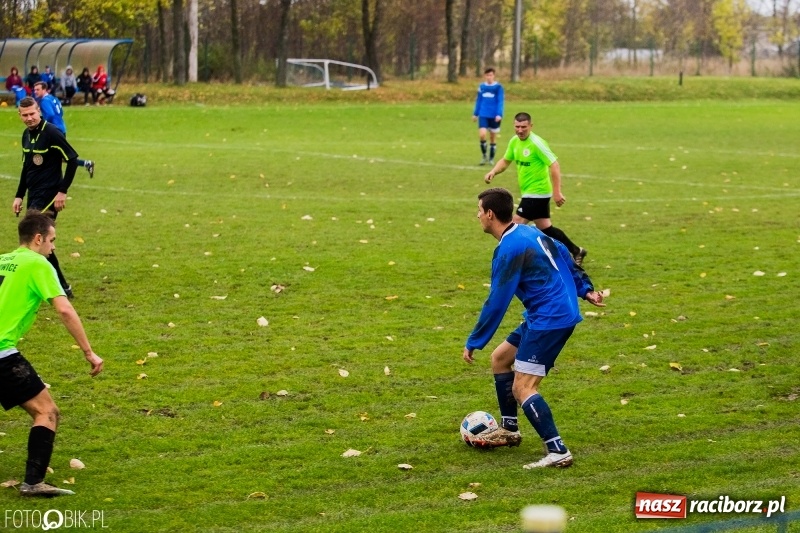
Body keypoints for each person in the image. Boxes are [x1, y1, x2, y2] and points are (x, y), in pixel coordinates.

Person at [462, 187, 604, 468]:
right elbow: (563, 254)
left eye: (479, 210)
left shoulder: (509, 248)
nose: (477, 215)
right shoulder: (528, 233)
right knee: (501, 359)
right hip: (547, 313)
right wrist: (585, 289)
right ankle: (510, 429)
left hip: (550, 319)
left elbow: (497, 300)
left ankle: (558, 450)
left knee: (523, 387)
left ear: (490, 214)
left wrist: (475, 340)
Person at [0, 211, 103, 497]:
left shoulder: (3, 260)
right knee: (47, 412)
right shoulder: (39, 264)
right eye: (52, 240)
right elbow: (64, 309)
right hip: (1, 354)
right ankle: (33, 482)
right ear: (37, 239)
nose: (53, 247)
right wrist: (89, 352)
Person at [484, 112, 588, 266]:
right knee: (546, 228)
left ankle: (509, 259)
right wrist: (493, 171)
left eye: (524, 127)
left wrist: (557, 192)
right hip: (529, 192)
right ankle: (576, 250)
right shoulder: (514, 141)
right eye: (517, 127)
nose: (520, 130)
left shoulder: (537, 143)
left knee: (512, 225)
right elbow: (506, 161)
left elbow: (554, 164)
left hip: (537, 192)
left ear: (530, 126)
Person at [13, 97, 83, 298]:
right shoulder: (26, 135)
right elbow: (27, 168)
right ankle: (60, 286)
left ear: (39, 112)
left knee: (35, 240)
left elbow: (72, 159)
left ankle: (55, 286)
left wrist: (62, 191)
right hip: (34, 196)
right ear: (20, 115)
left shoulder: (52, 132)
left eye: (32, 113)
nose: (29, 118)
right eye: (25, 115)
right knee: (39, 242)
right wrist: (19, 195)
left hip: (50, 196)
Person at [33, 82, 95, 178]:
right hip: (61, 128)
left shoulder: (44, 101)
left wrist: (42, 124)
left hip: (53, 131)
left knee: (46, 153)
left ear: (44, 89)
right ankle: (86, 163)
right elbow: (60, 112)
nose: (35, 91)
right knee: (59, 156)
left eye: (38, 89)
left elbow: (50, 114)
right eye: (35, 89)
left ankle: (47, 176)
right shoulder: (53, 98)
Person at [472, 67, 504, 166]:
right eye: (487, 75)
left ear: (493, 76)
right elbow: (479, 100)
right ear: (485, 76)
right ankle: (484, 155)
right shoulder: (481, 87)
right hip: (483, 114)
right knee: (482, 135)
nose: (489, 77)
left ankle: (491, 158)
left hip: (494, 115)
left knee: (492, 138)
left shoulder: (498, 87)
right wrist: (475, 113)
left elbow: (500, 101)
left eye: (491, 75)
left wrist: (499, 114)